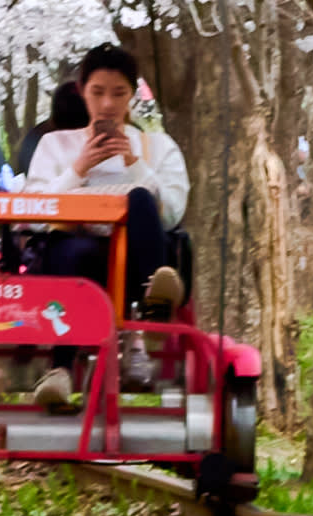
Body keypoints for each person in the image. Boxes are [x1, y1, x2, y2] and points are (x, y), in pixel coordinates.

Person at [15, 40, 195, 319]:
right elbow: (35, 214)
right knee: (77, 253)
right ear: (82, 92)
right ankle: (67, 353)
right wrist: (79, 169)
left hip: (139, 256)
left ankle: (155, 306)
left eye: (119, 93)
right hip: (74, 254)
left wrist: (135, 165)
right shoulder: (55, 144)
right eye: (97, 92)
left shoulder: (159, 146)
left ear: (132, 95)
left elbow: (171, 215)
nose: (108, 104)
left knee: (140, 197)